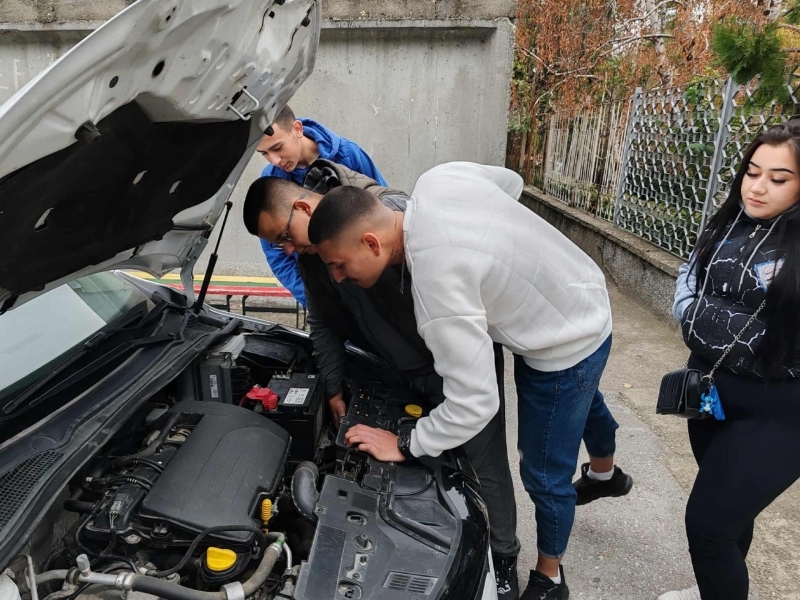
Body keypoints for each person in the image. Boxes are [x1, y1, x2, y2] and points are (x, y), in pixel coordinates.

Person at [307, 161, 633, 600]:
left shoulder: (437, 289)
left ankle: (550, 579)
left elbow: (475, 404)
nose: (337, 278)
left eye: (340, 265)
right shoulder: (438, 180)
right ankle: (604, 472)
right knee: (582, 397)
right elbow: (510, 183)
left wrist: (406, 443)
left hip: (563, 344)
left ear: (371, 241)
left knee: (543, 473)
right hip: (583, 287)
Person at [242, 160, 522, 599]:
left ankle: (504, 560)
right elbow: (323, 321)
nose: (289, 250)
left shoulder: (382, 212)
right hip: (399, 371)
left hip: (457, 366)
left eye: (283, 237)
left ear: (300, 207)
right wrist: (333, 388)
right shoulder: (317, 255)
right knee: (434, 467)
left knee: (485, 463)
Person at [659, 121, 800, 600]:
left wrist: (709, 319)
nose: (758, 187)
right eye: (752, 172)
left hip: (777, 410)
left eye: (779, 179)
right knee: (730, 516)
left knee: (708, 526)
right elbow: (690, 272)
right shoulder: (733, 220)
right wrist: (688, 311)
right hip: (711, 392)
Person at [255, 105, 387, 306]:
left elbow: (384, 207)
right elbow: (276, 253)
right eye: (264, 153)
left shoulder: (349, 155)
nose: (274, 160)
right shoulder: (271, 179)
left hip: (371, 285)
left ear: (297, 129)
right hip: (324, 295)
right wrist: (314, 299)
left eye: (277, 147)